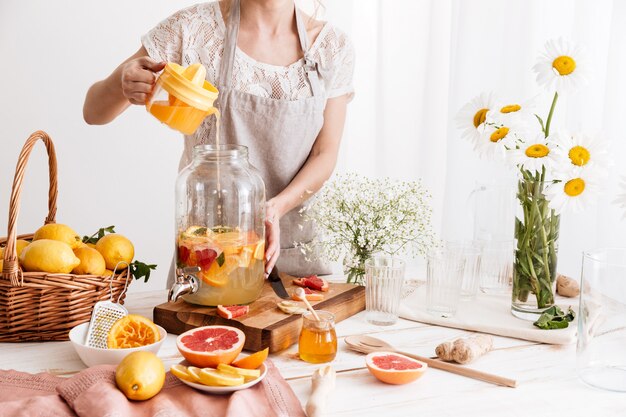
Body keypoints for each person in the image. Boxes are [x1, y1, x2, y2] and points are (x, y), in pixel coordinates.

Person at [83, 0, 354, 282]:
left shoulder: (332, 47)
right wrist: (123, 83)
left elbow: (325, 152)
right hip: (206, 258)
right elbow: (93, 112)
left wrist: (274, 209)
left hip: (296, 256)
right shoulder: (191, 30)